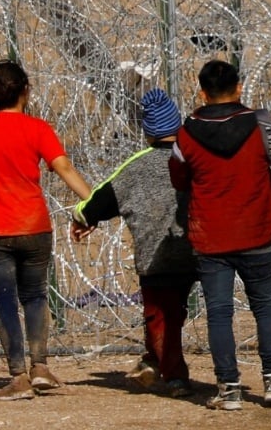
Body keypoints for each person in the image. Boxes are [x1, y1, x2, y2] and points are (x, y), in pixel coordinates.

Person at [0, 60, 93, 400]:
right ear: (25, 91)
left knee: (5, 301)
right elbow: (63, 167)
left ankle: (18, 375)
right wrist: (93, 204)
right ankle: (40, 367)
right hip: (33, 226)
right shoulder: (37, 128)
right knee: (35, 295)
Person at [168, 60, 271, 410]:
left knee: (219, 313)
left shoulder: (186, 133)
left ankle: (229, 389)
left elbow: (178, 180)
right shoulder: (263, 125)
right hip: (258, 230)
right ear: (239, 88)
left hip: (211, 236)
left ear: (203, 93)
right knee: (266, 307)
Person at [70, 89, 198, 398]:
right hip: (194, 251)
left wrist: (81, 218)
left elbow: (97, 200)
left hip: (154, 257)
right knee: (173, 312)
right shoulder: (194, 158)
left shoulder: (136, 166)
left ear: (147, 133)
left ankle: (175, 376)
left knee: (159, 316)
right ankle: (154, 360)